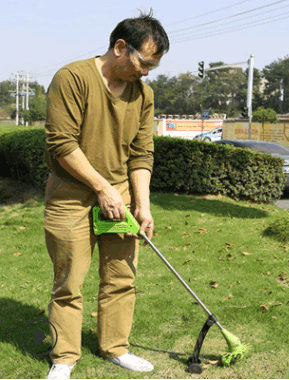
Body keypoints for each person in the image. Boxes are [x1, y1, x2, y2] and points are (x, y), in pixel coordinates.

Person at [44, 10, 169, 379]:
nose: (146, 72)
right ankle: (64, 358)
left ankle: (115, 347)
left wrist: (142, 207)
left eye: (153, 66)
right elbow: (61, 142)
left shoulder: (142, 94)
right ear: (119, 47)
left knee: (121, 277)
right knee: (69, 281)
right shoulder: (72, 78)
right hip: (71, 193)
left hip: (121, 196)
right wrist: (101, 188)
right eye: (143, 62)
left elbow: (142, 153)